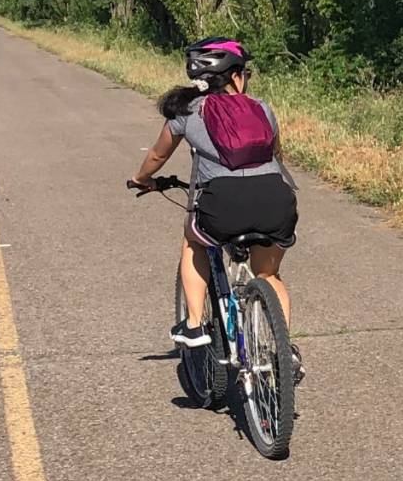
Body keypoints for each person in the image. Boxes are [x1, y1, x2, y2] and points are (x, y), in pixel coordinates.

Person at [127, 39, 298, 358]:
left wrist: (141, 179)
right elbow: (276, 155)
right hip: (276, 200)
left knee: (194, 240)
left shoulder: (187, 110)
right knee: (269, 275)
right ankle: (282, 354)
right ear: (235, 77)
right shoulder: (261, 108)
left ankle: (193, 325)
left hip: (223, 206)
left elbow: (156, 155)